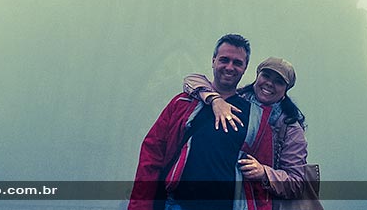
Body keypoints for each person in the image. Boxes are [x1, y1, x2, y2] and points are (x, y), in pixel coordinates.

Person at [128, 34, 275, 210]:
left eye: (237, 63)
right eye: (224, 60)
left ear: (245, 68)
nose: (230, 67)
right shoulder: (182, 103)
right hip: (175, 204)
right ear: (213, 61)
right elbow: (151, 156)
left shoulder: (255, 118)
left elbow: (258, 183)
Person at [183, 56, 309, 201]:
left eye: (278, 82)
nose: (269, 83)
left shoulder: (290, 128)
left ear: (286, 89)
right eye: (266, 76)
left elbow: (297, 183)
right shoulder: (236, 98)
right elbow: (191, 80)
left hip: (255, 201)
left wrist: (264, 173)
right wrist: (215, 100)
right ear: (257, 76)